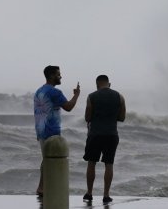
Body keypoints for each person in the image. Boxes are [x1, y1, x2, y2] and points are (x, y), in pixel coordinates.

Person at [34, 65, 80, 197]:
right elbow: (69, 107)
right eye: (58, 74)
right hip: (51, 131)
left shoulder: (39, 91)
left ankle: (42, 187)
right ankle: (44, 188)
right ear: (51, 76)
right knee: (50, 160)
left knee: (46, 160)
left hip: (41, 130)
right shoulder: (55, 92)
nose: (61, 76)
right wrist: (76, 95)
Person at [82, 75, 126, 204]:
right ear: (109, 84)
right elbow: (122, 118)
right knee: (109, 164)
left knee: (91, 163)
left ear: (97, 84)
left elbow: (87, 117)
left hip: (95, 134)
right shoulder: (120, 97)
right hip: (112, 134)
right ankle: (106, 195)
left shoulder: (91, 96)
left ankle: (89, 193)